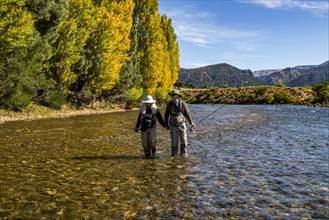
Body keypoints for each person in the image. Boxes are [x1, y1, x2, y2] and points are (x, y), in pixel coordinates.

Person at [165, 89, 195, 157]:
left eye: (173, 95)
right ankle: (174, 154)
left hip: (182, 124)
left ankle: (183, 153)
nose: (172, 96)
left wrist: (191, 123)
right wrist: (166, 125)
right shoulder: (169, 104)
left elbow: (187, 113)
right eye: (171, 95)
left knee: (183, 140)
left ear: (177, 96)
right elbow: (166, 115)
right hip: (172, 125)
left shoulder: (182, 103)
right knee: (174, 142)